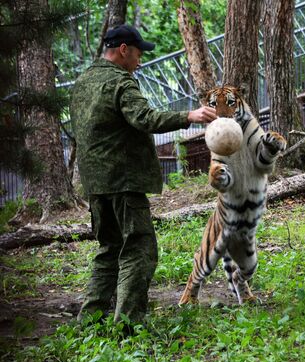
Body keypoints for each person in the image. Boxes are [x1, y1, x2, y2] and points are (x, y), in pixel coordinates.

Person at [70, 24, 217, 324]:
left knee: (109, 248)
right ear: (123, 50)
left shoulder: (83, 82)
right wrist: (188, 116)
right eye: (137, 54)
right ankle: (128, 323)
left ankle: (90, 319)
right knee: (140, 248)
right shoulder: (120, 82)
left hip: (95, 184)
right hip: (123, 181)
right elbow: (144, 118)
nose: (139, 61)